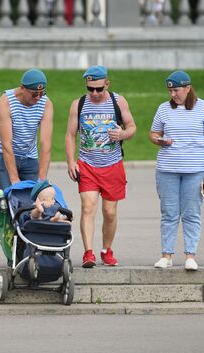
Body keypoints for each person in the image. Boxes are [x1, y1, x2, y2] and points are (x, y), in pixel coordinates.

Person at [64, 65, 136, 268]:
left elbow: (132, 126)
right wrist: (71, 161)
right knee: (87, 207)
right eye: (90, 89)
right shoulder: (78, 105)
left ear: (107, 84)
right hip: (87, 165)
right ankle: (88, 253)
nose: (94, 93)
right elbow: (70, 135)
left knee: (110, 212)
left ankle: (106, 250)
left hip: (112, 164)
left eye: (99, 89)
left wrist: (123, 134)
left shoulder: (118, 101)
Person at [150, 70, 204, 271]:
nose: (173, 94)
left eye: (176, 90)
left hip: (195, 169)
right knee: (169, 213)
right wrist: (158, 140)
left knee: (191, 213)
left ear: (188, 88)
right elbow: (154, 133)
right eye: (170, 91)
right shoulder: (163, 109)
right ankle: (166, 255)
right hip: (167, 169)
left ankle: (190, 255)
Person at [0, 68, 54, 191]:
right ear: (22, 88)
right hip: (3, 153)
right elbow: (6, 144)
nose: (38, 98)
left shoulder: (46, 104)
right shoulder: (6, 101)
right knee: (10, 194)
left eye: (42, 93)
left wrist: (41, 180)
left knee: (34, 197)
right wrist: (14, 179)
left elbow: (46, 144)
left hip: (29, 154)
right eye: (34, 94)